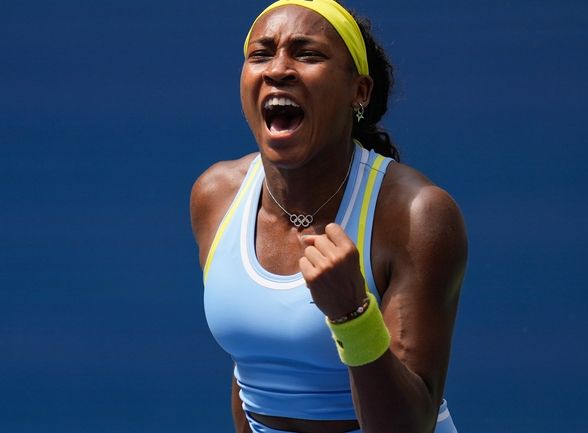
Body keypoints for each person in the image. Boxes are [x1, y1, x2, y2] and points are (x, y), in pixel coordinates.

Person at [190, 1, 467, 432]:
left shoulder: (418, 215)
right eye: (261, 54)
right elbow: (248, 376)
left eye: (307, 54)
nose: (277, 69)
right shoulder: (216, 195)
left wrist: (352, 315)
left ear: (359, 91)